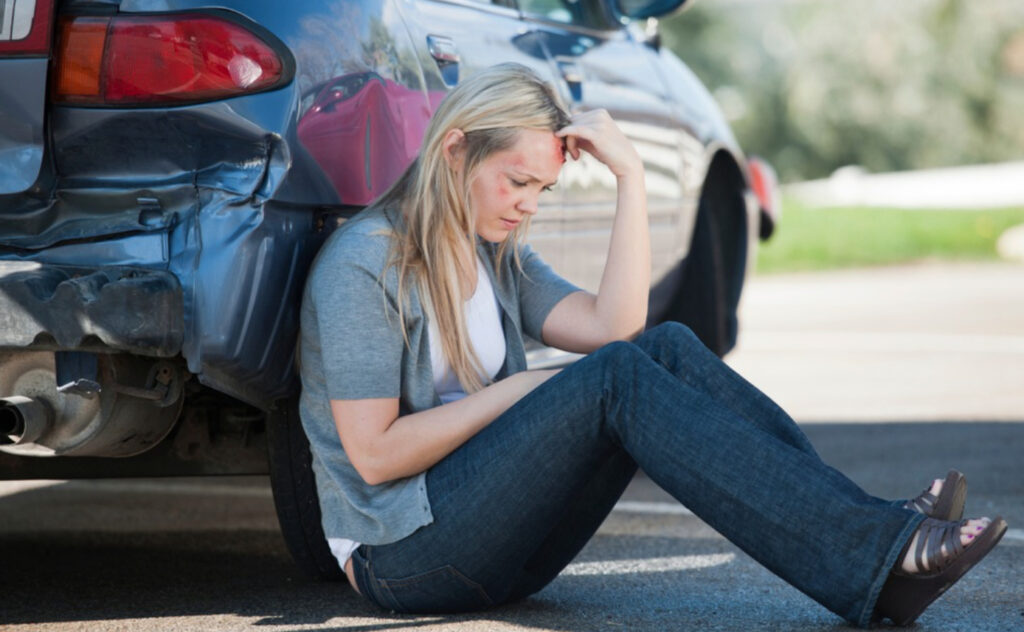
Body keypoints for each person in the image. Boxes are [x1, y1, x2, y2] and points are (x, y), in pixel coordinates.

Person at [297, 63, 1006, 628]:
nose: (527, 206)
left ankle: (870, 533)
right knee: (614, 380)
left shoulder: (494, 254)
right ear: (455, 151)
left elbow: (617, 328)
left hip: (497, 545)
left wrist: (631, 175)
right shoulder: (365, 265)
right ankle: (876, 552)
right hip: (402, 555)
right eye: (516, 181)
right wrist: (520, 389)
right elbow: (375, 453)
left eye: (541, 189)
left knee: (660, 347)